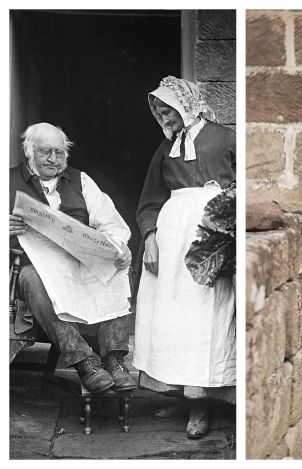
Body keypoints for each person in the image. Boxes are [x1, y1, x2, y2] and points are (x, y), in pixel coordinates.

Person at [133, 76, 236, 439]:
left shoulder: (226, 138)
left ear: (187, 105)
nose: (163, 116)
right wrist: (150, 238)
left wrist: (231, 234)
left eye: (168, 109)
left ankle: (201, 402)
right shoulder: (165, 148)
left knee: (204, 319)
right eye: (158, 110)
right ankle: (176, 393)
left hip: (212, 235)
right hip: (171, 238)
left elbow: (247, 188)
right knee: (171, 318)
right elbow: (149, 199)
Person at [9, 122, 134, 393]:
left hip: (80, 264)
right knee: (31, 277)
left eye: (60, 153)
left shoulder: (81, 180)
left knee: (119, 265)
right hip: (37, 269)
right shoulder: (6, 181)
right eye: (46, 152)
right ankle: (84, 362)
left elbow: (111, 224)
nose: (54, 159)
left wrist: (118, 247)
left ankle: (114, 360)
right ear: (29, 152)